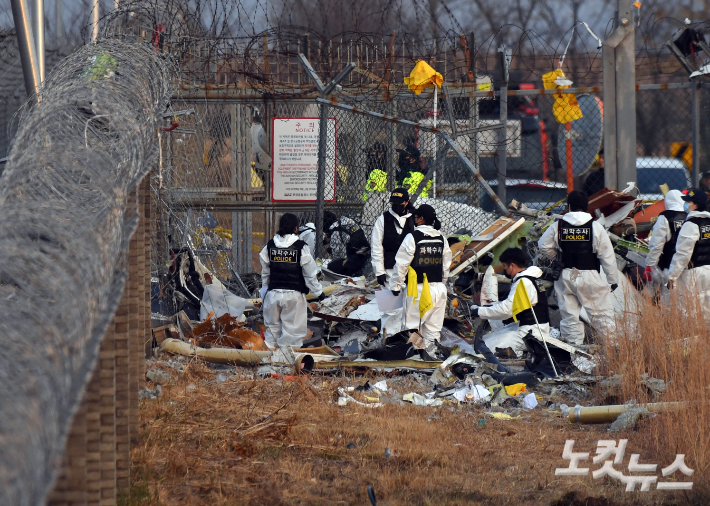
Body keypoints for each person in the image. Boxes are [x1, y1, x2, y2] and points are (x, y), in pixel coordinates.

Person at [538, 190, 618, 345]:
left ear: (569, 206)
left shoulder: (558, 226)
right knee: (602, 316)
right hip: (590, 275)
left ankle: (574, 353)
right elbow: (607, 256)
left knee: (569, 317)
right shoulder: (595, 227)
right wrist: (612, 279)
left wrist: (557, 257)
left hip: (565, 275)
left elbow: (543, 245)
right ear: (586, 206)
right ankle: (611, 352)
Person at [389, 204, 452, 359]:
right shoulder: (441, 238)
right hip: (438, 289)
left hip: (417, 291)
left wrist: (395, 286)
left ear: (421, 219)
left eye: (416, 217)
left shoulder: (413, 237)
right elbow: (446, 266)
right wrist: (442, 283)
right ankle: (431, 359)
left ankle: (413, 360)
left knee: (412, 329)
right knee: (433, 330)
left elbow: (402, 264)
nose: (414, 219)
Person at [260, 213, 325, 350]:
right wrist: (319, 293)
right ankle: (286, 364)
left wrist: (264, 295)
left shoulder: (269, 246)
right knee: (292, 334)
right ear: (296, 228)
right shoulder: (301, 247)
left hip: (273, 295)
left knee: (271, 331)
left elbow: (265, 274)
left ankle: (267, 363)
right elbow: (310, 275)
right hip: (294, 296)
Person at [471, 248, 551, 356]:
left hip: (530, 334)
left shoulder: (523, 283)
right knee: (486, 338)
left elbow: (506, 311)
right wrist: (487, 307)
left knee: (481, 349)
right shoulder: (532, 279)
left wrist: (479, 312)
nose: (505, 270)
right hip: (531, 328)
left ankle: (518, 353)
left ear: (512, 266)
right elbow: (512, 305)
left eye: (505, 267)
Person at [667, 189, 710, 316]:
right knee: (707, 309)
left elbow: (683, 254)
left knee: (689, 309)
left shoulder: (690, 224)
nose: (685, 205)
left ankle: (693, 335)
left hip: (693, 273)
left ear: (695, 205)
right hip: (709, 270)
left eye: (688, 202)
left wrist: (672, 276)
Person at [370, 188, 416, 288]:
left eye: (399, 203)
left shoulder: (413, 218)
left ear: (406, 202)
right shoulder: (383, 219)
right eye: (394, 202)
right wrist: (379, 271)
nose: (396, 205)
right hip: (389, 270)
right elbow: (376, 246)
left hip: (411, 269)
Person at [645, 190, 687, 284]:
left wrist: (650, 265)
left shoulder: (665, 217)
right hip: (686, 266)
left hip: (668, 265)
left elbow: (656, 245)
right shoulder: (688, 217)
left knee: (667, 295)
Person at [323, 212, 371, 276]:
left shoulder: (336, 231)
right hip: (366, 256)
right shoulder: (349, 223)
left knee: (331, 266)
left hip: (356, 261)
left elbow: (339, 257)